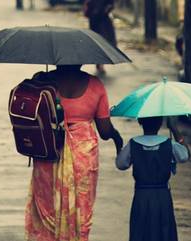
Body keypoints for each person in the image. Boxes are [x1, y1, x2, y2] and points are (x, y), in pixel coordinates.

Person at [25, 65, 123, 241]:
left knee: (47, 208)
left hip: (49, 153)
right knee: (80, 210)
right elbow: (105, 131)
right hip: (83, 158)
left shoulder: (44, 82)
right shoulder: (95, 85)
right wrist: (117, 137)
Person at [115, 117, 190, 241]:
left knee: (140, 231)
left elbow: (121, 164)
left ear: (140, 121)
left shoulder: (133, 143)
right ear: (161, 123)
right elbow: (185, 155)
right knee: (164, 231)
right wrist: (174, 129)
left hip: (141, 196)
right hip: (162, 196)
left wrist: (119, 149)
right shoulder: (168, 143)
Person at [84, 0, 117, 76]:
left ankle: (100, 63)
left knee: (103, 42)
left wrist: (105, 10)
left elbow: (111, 4)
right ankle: (99, 63)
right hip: (95, 20)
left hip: (103, 20)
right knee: (96, 42)